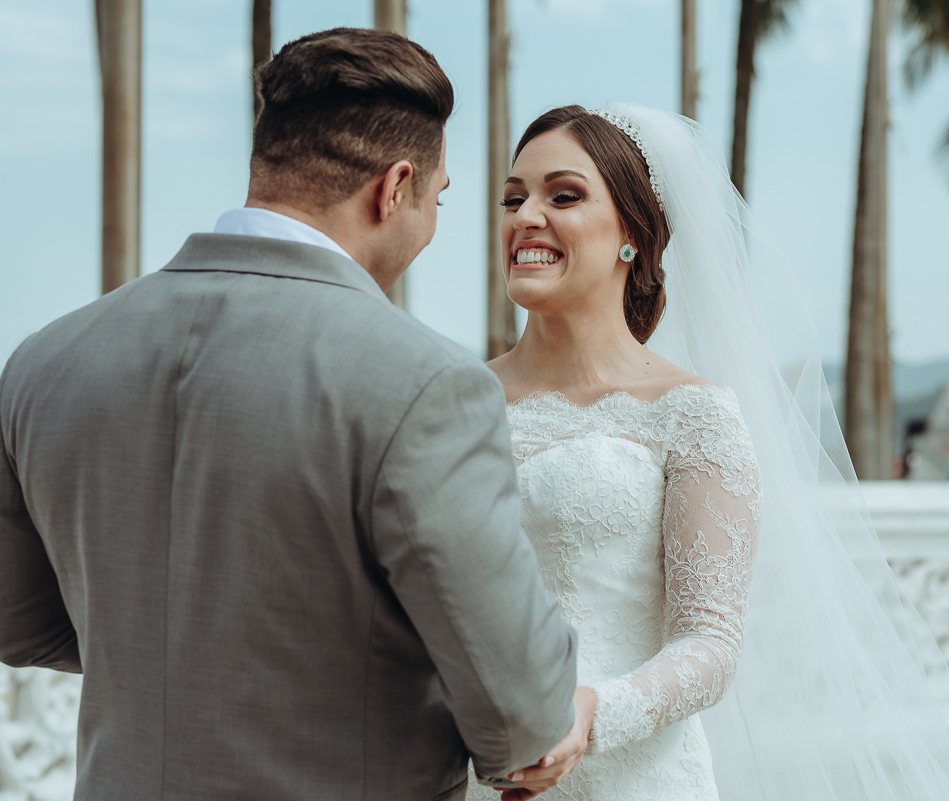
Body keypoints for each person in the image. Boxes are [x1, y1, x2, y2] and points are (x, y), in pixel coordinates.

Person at [0, 29, 579, 801]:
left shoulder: (45, 360)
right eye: (436, 202)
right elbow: (520, 719)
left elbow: (18, 622)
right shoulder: (428, 384)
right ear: (394, 187)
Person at [477, 104, 949, 801]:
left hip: (634, 778)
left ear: (632, 235)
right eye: (514, 197)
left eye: (563, 195)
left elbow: (709, 645)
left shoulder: (692, 412)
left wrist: (590, 713)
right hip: (474, 773)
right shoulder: (455, 401)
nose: (526, 216)